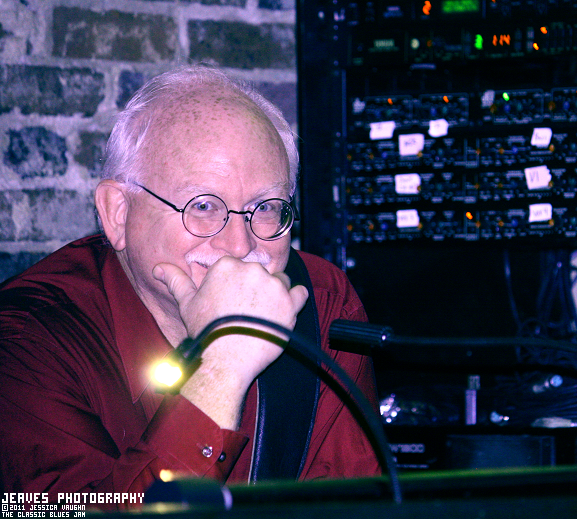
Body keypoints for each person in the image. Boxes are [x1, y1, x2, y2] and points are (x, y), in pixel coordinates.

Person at [0, 65, 381, 504]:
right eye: (202, 206)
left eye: (265, 207)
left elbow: (352, 506)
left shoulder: (322, 302)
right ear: (118, 213)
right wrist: (221, 369)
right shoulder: (25, 341)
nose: (239, 245)